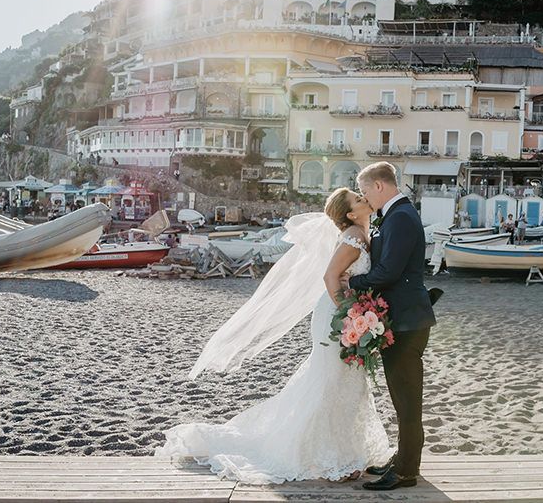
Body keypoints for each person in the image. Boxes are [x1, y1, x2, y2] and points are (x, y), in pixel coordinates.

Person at [155, 188, 391, 484]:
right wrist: (350, 313)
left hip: (346, 314)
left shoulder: (362, 231)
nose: (363, 199)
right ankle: (331, 458)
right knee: (331, 382)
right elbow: (331, 277)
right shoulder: (354, 235)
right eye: (358, 199)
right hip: (337, 316)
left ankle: (344, 455)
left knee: (345, 383)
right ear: (350, 214)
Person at [349, 161, 436, 491]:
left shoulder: (400, 217)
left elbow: (388, 272)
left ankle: (406, 472)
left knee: (408, 400)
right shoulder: (397, 215)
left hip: (407, 322)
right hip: (402, 318)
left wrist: (352, 281)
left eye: (365, 190)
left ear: (379, 186)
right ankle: (402, 459)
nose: (364, 197)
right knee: (402, 397)